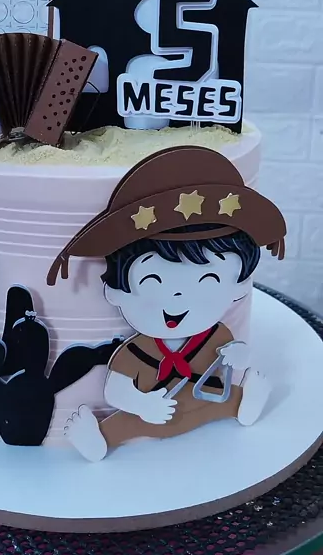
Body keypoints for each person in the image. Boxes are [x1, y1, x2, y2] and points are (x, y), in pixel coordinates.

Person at [46, 145, 286, 461]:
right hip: (150, 417)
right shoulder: (136, 353)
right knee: (125, 424)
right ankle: (98, 439)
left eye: (207, 281)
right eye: (153, 281)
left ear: (238, 287)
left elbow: (232, 358)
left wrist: (239, 355)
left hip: (205, 404)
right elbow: (116, 391)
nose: (177, 298)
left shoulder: (215, 337)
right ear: (116, 291)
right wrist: (142, 404)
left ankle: (244, 405)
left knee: (224, 398)